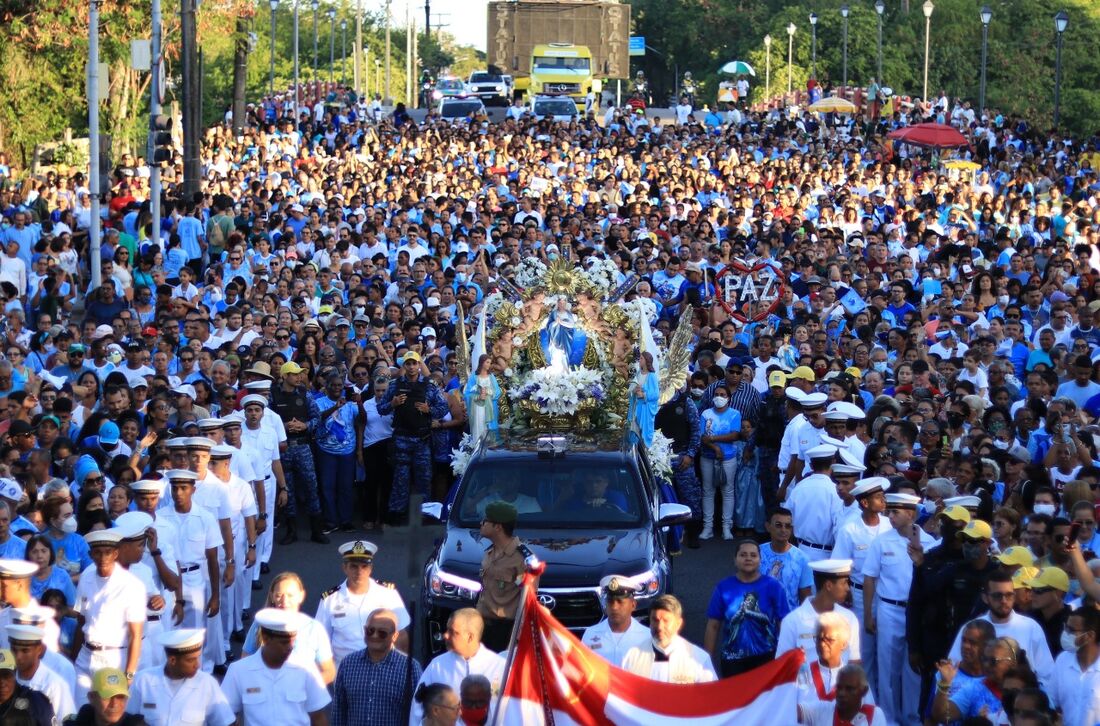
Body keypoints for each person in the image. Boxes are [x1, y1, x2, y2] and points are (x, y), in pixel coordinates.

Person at [861, 491, 936, 726]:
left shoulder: (930, 543)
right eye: (889, 511)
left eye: (895, 512)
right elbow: (870, 578)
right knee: (888, 669)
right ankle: (889, 719)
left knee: (914, 668)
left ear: (911, 514)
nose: (889, 516)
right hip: (889, 609)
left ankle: (912, 717)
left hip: (916, 613)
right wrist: (868, 614)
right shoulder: (882, 541)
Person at [70, 530, 145, 708]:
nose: (103, 557)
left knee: (108, 713)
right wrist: (73, 659)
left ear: (116, 553)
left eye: (108, 552)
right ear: (91, 555)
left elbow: (136, 635)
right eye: (98, 552)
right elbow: (81, 621)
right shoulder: (86, 578)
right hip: (86, 656)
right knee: (82, 712)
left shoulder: (131, 585)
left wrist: (129, 674)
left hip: (114, 657)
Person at [220, 608, 331, 725]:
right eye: (284, 642)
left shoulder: (307, 668)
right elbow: (225, 716)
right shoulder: (239, 671)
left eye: (293, 641)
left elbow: (318, 717)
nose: (290, 647)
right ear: (266, 638)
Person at [377, 351, 448, 522]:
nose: (411, 367)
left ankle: (425, 515)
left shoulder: (429, 386)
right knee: (400, 479)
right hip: (402, 438)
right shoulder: (394, 385)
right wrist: (393, 404)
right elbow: (381, 408)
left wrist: (429, 410)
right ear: (404, 366)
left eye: (414, 363)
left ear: (419, 365)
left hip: (422, 439)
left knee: (424, 478)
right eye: (408, 364)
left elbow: (443, 407)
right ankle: (396, 514)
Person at [315, 540, 410, 667]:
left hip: (383, 668)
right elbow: (321, 641)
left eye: (364, 566)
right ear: (345, 568)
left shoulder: (388, 594)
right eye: (354, 566)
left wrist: (401, 669)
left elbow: (401, 636)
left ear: (371, 568)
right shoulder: (329, 600)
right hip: (346, 671)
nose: (359, 572)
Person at [703, 538, 790, 676]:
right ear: (735, 559)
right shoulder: (723, 587)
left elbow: (784, 623)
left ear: (760, 559)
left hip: (766, 656)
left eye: (753, 555)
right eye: (743, 555)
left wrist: (787, 657)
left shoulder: (773, 586)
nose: (748, 558)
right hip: (732, 658)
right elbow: (713, 625)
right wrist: (705, 662)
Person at [409, 608, 504, 725]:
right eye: (446, 630)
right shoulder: (437, 666)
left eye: (453, 632)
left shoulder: (500, 667)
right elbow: (418, 707)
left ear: (470, 637)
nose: (445, 635)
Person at [126, 628, 235, 726]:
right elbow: (129, 719)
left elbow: (225, 721)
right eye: (190, 660)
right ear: (172, 660)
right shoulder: (143, 681)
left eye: (197, 658)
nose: (197, 665)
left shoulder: (207, 683)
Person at [242, 572, 335, 684]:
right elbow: (245, 658)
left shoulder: (314, 628)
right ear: (272, 596)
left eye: (290, 595)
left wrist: (307, 687)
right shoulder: (261, 623)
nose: (284, 601)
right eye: (279, 595)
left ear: (301, 596)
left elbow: (328, 671)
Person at [332, 608, 420, 726]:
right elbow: (339, 710)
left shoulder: (410, 668)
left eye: (382, 633)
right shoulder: (348, 664)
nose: (374, 636)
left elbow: (418, 713)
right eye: (370, 630)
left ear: (394, 636)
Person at [777, 559, 861, 665]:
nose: (848, 588)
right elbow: (782, 665)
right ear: (829, 585)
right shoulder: (792, 621)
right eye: (844, 583)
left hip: (841, 681)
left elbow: (854, 661)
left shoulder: (849, 618)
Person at [475, 501, 531, 652]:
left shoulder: (522, 559)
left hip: (505, 631)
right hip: (483, 625)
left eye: (486, 521)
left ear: (498, 527)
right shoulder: (489, 553)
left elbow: (528, 600)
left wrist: (519, 635)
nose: (481, 523)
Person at [621, 594, 717, 683]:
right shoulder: (632, 657)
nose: (659, 627)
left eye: (666, 621)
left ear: (678, 623)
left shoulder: (698, 659)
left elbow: (710, 695)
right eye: (655, 620)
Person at [8, 623, 75, 722]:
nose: (18, 656)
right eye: (14, 650)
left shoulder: (55, 685)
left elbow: (67, 722)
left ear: (39, 650)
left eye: (25, 651)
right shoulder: (7, 678)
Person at [581, 575, 651, 668]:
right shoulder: (590, 635)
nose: (614, 607)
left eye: (620, 602)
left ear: (633, 605)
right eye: (610, 602)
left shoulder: (647, 637)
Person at [1049, 606, 1100, 726]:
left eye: (1071, 630)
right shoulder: (1062, 660)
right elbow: (1052, 702)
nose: (1065, 633)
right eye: (1065, 627)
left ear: (1090, 636)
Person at [798, 664, 887, 726]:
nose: (842, 693)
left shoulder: (874, 715)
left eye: (849, 689)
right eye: (839, 687)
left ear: (863, 691)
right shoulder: (822, 710)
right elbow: (792, 711)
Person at [66, 667, 144, 726]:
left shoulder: (134, 724)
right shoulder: (84, 718)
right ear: (91, 697)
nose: (114, 704)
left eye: (120, 697)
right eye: (107, 697)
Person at [463, 355, 501, 443]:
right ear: (482, 362)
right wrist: (478, 396)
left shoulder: (491, 377)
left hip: (490, 406)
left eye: (490, 363)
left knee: (490, 426)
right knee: (479, 426)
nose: (489, 364)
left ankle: (491, 445)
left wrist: (489, 392)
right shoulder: (474, 377)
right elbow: (467, 394)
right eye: (487, 362)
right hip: (478, 408)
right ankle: (478, 445)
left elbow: (498, 391)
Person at [627, 350, 659, 447]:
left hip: (645, 409)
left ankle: (643, 449)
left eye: (641, 358)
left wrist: (644, 394)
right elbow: (632, 388)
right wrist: (634, 390)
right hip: (636, 406)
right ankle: (634, 447)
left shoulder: (652, 376)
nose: (639, 360)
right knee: (635, 428)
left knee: (643, 429)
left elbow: (656, 394)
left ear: (646, 360)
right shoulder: (638, 374)